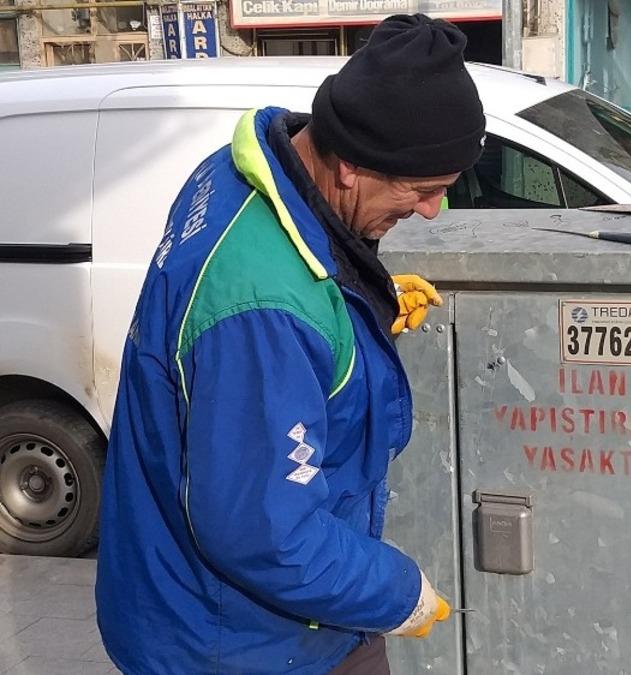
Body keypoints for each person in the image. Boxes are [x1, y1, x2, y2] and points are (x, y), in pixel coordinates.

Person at [95, 14, 485, 674]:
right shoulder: (266, 311)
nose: (430, 212)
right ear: (355, 166)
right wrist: (399, 592)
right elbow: (263, 532)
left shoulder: (240, 173)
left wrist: (358, 307)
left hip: (218, 610)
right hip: (235, 640)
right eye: (424, 191)